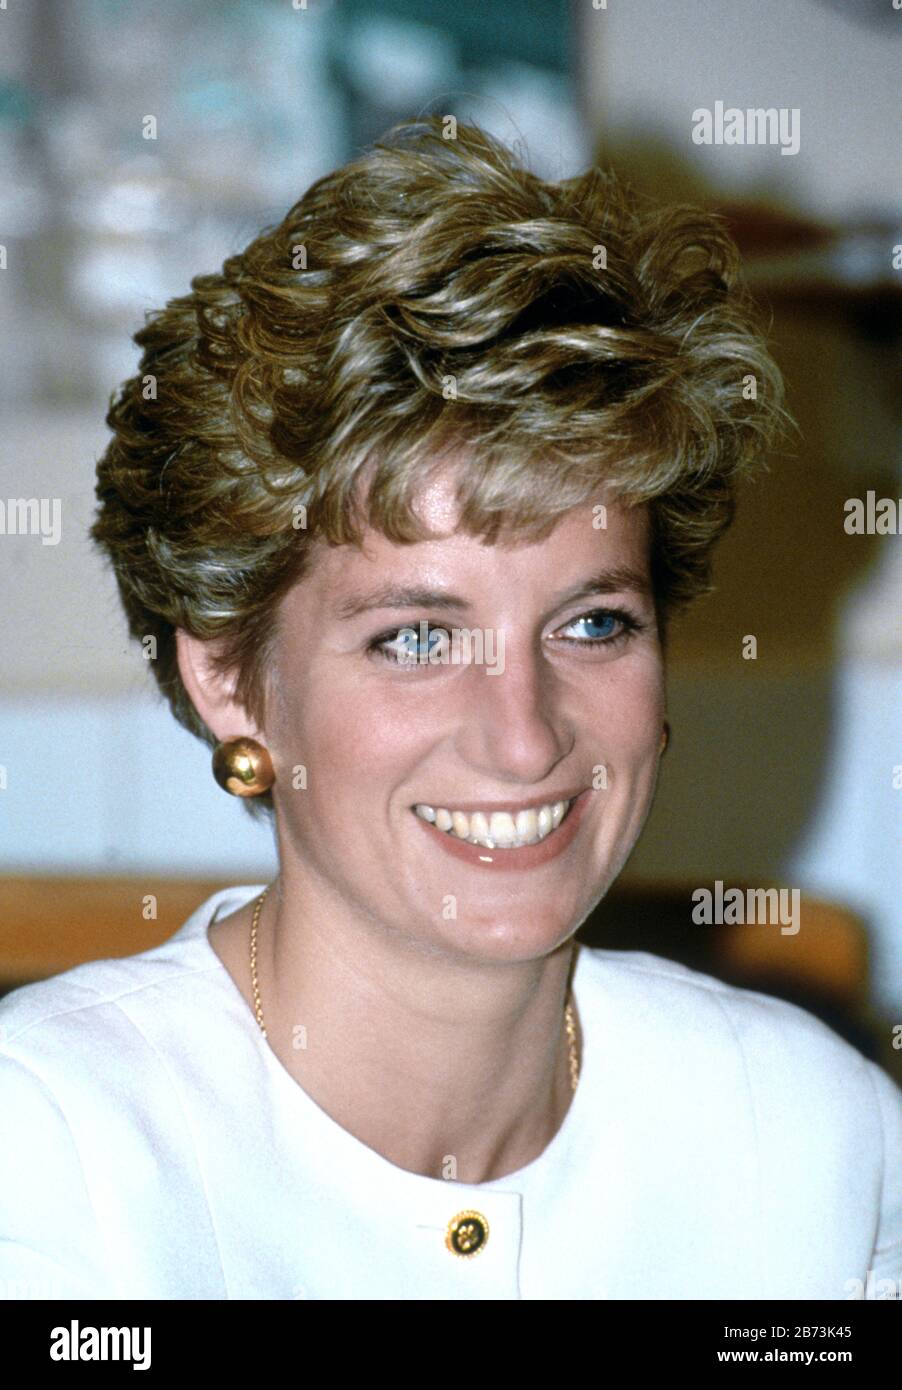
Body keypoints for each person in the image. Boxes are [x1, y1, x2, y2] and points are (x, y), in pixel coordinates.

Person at [1, 117, 899, 1301]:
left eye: (591, 624)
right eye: (416, 637)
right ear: (228, 676)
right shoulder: (56, 1152)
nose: (522, 735)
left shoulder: (802, 1138)